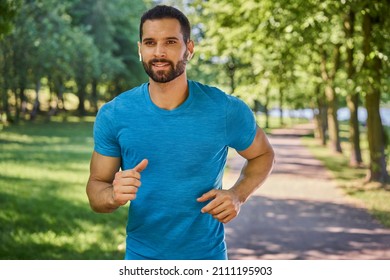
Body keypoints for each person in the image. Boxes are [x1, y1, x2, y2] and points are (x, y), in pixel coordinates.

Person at [86, 5, 275, 260]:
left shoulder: (225, 109)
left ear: (189, 48)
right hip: (142, 259)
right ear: (140, 49)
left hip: (207, 258)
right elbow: (96, 189)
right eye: (150, 42)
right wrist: (112, 195)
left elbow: (263, 154)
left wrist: (237, 195)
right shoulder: (114, 114)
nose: (159, 52)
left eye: (171, 42)